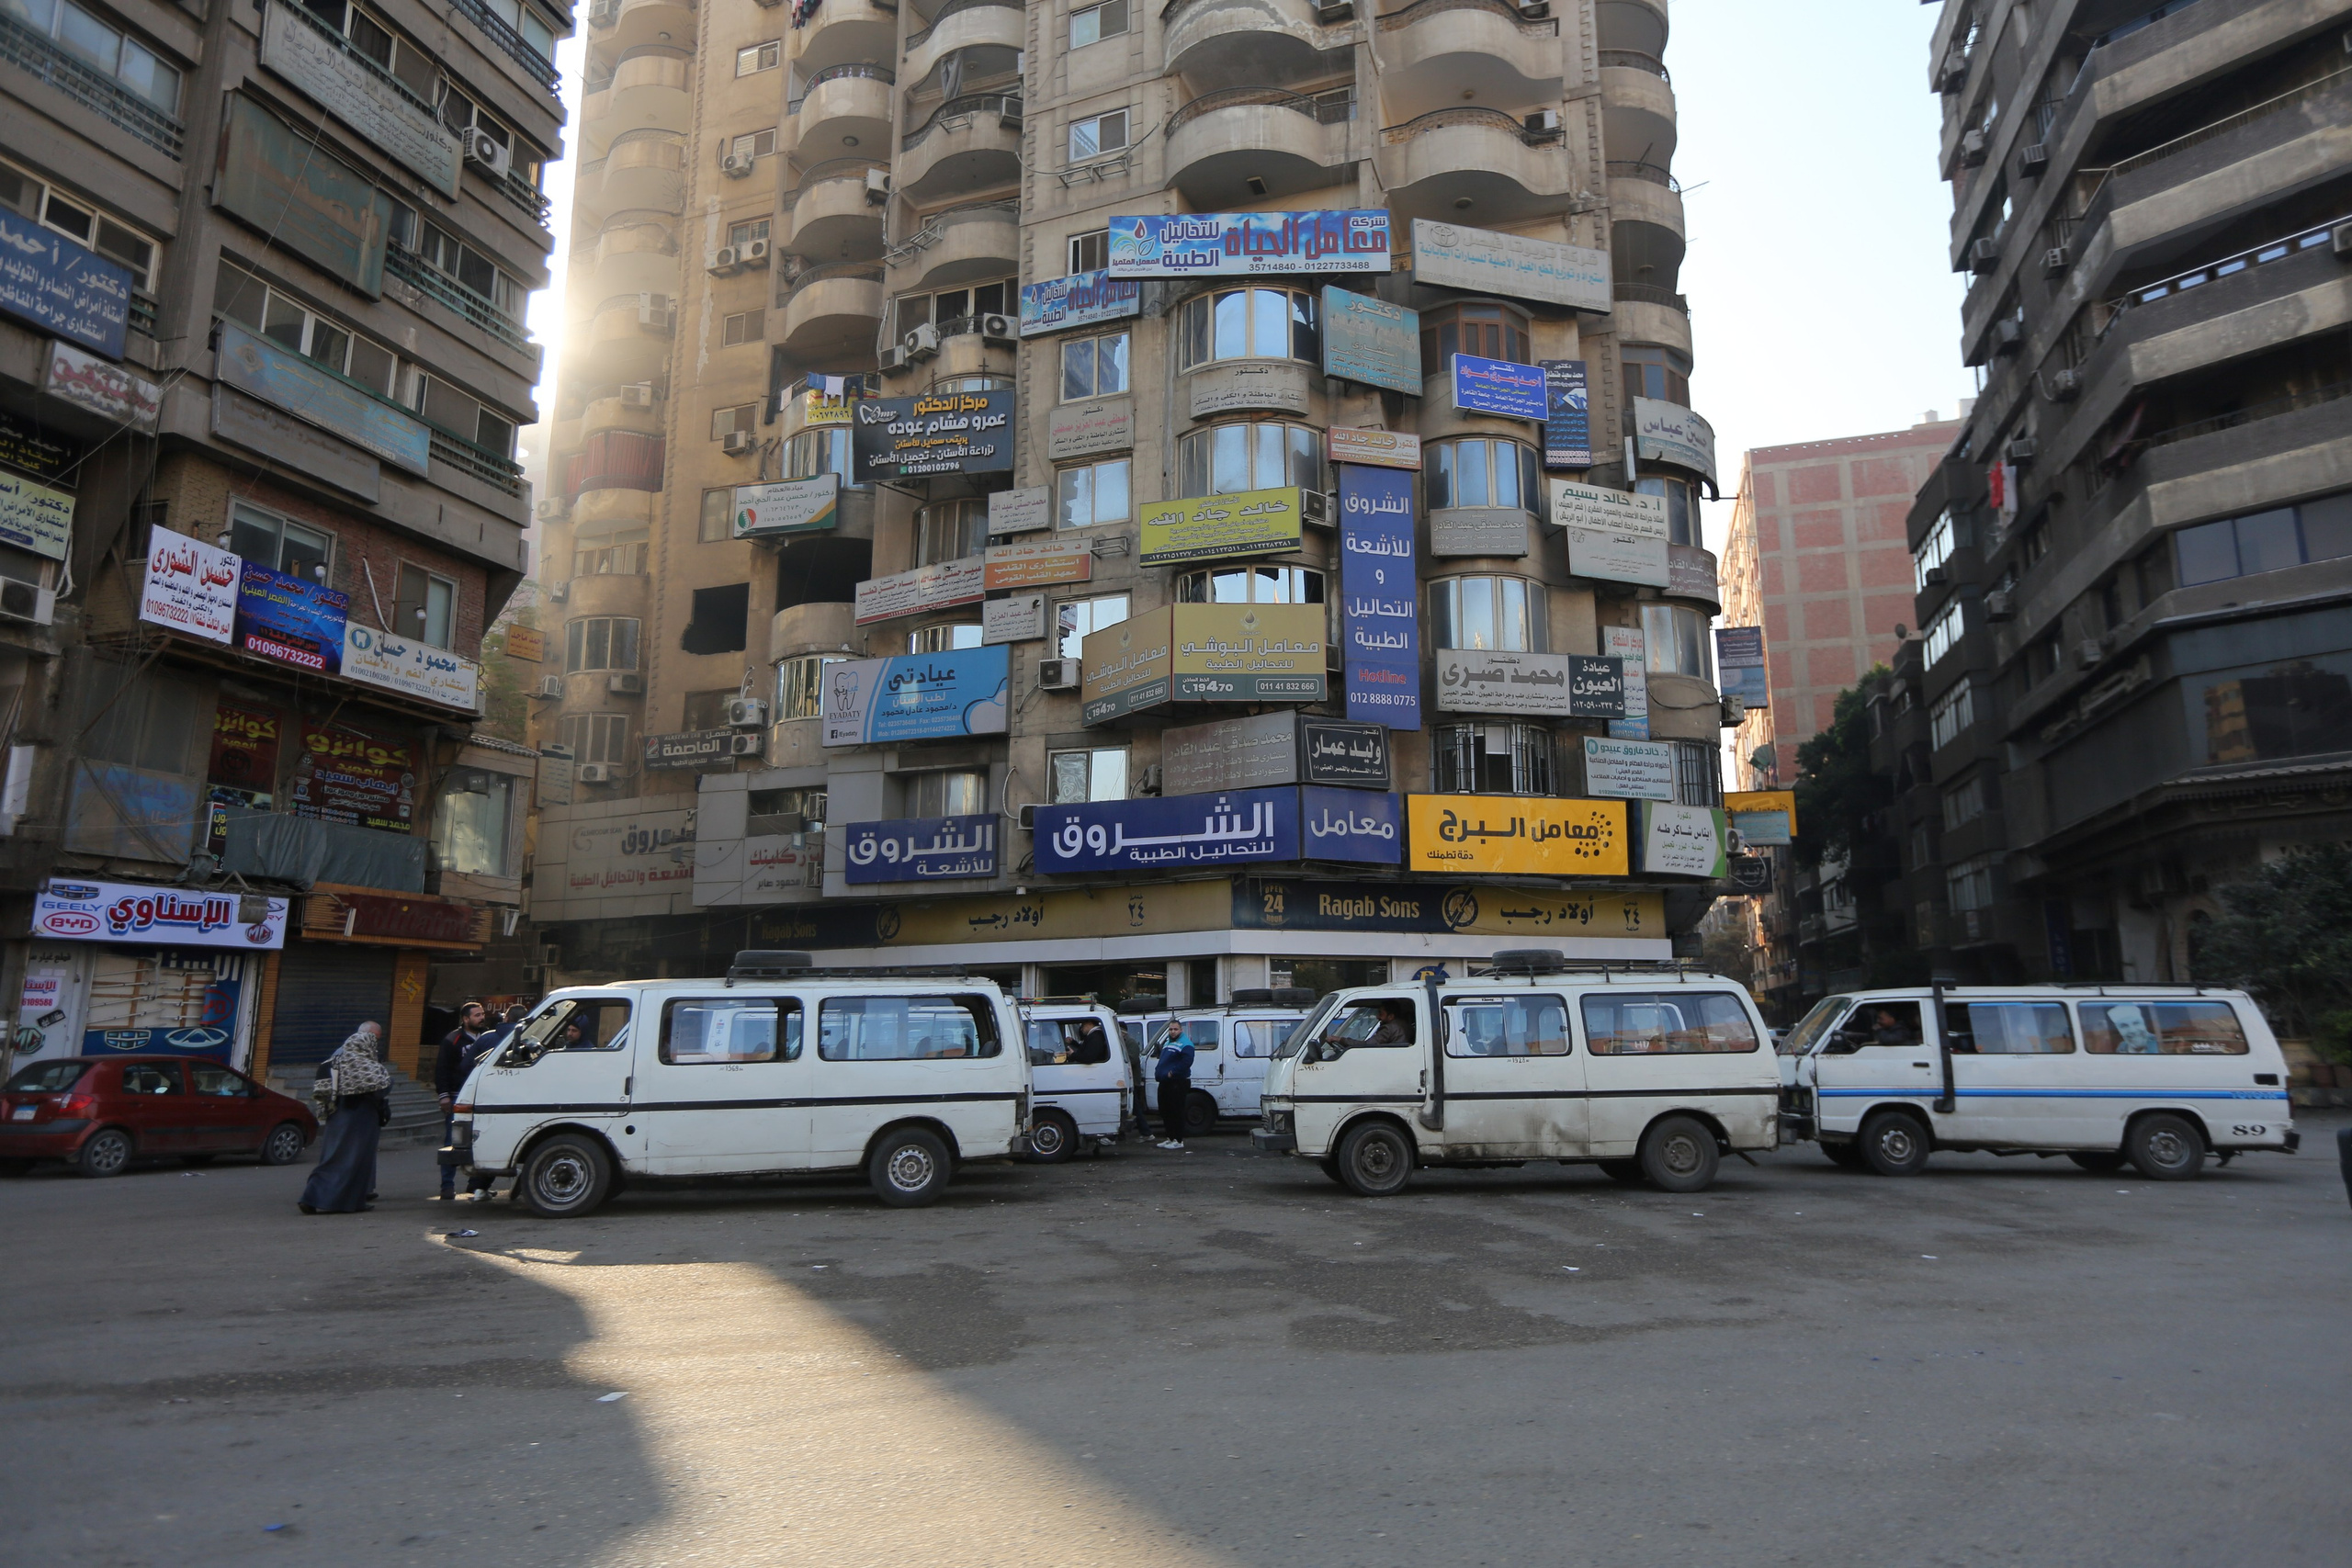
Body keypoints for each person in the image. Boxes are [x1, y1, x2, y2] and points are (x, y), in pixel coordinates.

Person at [300, 1024, 390, 1215]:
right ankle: (349, 1201)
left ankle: (312, 1196)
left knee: (332, 1157)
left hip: (336, 1117)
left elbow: (321, 1093)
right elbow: (382, 1090)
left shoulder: (331, 1063)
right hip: (362, 1119)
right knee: (356, 1160)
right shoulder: (369, 1066)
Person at [434, 1002, 489, 1201]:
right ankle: (447, 1186)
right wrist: (444, 1096)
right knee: (453, 1142)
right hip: (458, 1097)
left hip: (481, 1098)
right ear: (465, 1019)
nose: (481, 1018)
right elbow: (442, 1069)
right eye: (477, 1015)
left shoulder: (487, 1038)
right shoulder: (452, 1039)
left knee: (479, 1141)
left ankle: (475, 1185)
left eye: (482, 1014)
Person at [1153, 1021, 1195, 1151]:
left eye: (1175, 1029)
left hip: (1177, 1082)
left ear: (1181, 1030)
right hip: (1165, 1082)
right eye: (1171, 1029)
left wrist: (1172, 1073)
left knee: (1176, 1111)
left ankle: (1178, 1140)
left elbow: (1187, 1062)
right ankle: (1170, 1138)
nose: (1172, 1031)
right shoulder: (1168, 1042)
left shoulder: (1186, 1044)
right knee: (1165, 1110)